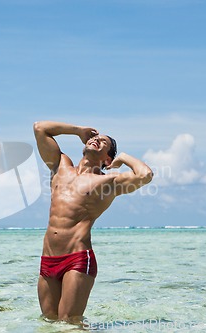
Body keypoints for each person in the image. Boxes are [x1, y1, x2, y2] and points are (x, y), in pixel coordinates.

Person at [33, 120, 153, 324]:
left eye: (103, 142)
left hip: (77, 259)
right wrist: (78, 130)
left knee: (70, 323)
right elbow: (40, 128)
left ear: (108, 159)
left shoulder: (108, 183)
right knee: (49, 322)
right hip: (48, 259)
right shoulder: (60, 166)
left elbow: (145, 175)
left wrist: (122, 157)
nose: (97, 139)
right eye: (96, 137)